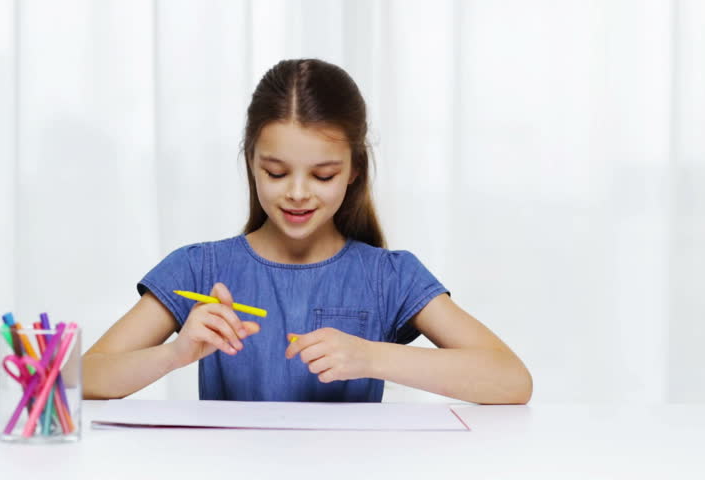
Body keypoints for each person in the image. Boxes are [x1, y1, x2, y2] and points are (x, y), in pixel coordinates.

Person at [83, 58, 532, 404]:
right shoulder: (200, 268)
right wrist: (175, 355)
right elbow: (81, 377)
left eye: (322, 175)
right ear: (251, 164)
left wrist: (373, 357)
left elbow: (511, 380)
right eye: (277, 172)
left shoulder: (388, 275)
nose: (298, 193)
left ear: (354, 170)